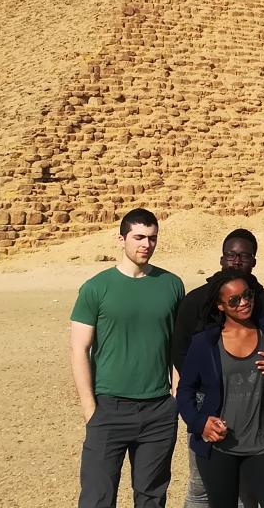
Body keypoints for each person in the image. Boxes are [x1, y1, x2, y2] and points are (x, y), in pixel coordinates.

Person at [70, 208, 187, 508]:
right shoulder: (96, 288)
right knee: (97, 498)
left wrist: (176, 393)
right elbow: (79, 349)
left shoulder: (172, 285)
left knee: (152, 498)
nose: (145, 244)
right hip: (109, 408)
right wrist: (90, 410)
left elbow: (178, 346)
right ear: (121, 239)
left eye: (152, 238)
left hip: (158, 411)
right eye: (138, 237)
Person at [172, 229, 264, 508]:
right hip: (212, 414)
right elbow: (181, 354)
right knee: (201, 491)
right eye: (231, 255)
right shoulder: (198, 309)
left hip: (262, 434)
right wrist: (207, 391)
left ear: (253, 261)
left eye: (243, 256)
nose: (235, 261)